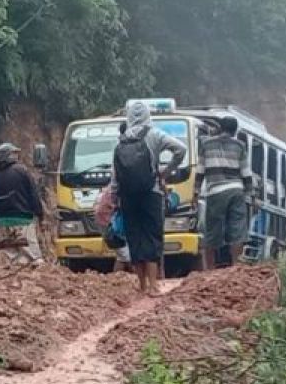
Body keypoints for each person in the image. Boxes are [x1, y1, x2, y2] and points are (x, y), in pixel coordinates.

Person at [109, 102, 187, 296]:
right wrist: (165, 172)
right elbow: (181, 149)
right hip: (151, 193)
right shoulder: (155, 134)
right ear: (147, 115)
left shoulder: (122, 139)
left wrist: (114, 194)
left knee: (134, 237)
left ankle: (141, 285)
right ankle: (154, 285)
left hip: (128, 195)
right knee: (152, 236)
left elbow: (115, 172)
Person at [197, 116, 254, 270]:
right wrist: (251, 195)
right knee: (237, 230)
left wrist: (196, 192)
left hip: (215, 191)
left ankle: (210, 268)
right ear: (235, 131)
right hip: (236, 190)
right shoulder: (240, 146)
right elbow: (246, 173)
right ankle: (236, 267)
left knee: (212, 231)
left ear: (220, 128)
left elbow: (200, 170)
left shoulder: (206, 144)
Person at [0, 142, 45, 263]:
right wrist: (40, 216)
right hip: (23, 220)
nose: (17, 156)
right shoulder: (22, 171)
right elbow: (33, 196)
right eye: (14, 153)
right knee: (33, 257)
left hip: (2, 223)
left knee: (15, 259)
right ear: (9, 156)